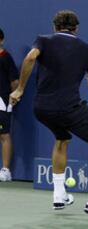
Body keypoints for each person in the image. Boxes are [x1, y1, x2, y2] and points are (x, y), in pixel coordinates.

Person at [9, 10, 88, 220]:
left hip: (41, 108)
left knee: (62, 138)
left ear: (54, 27)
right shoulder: (87, 49)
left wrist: (20, 89)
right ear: (76, 29)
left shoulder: (42, 40)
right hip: (68, 108)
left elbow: (31, 57)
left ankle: (59, 194)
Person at [0, 28, 19, 182]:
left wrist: (13, 98)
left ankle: (6, 170)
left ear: (2, 40)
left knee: (4, 135)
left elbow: (15, 82)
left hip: (2, 102)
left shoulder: (6, 58)